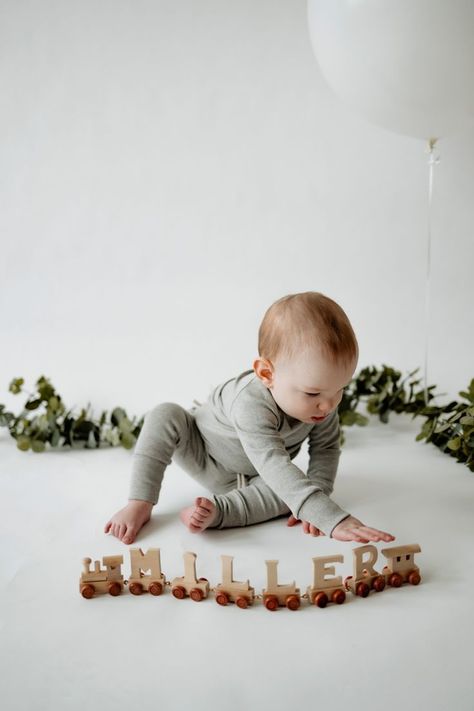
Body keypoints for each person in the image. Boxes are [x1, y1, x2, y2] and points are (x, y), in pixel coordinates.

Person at [104, 291, 395, 546]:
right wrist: (332, 519)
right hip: (205, 455)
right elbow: (273, 462)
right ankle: (139, 502)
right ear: (267, 374)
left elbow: (326, 450)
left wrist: (317, 502)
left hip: (259, 476)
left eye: (340, 389)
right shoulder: (250, 403)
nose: (329, 404)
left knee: (292, 491)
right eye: (312, 393)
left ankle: (220, 512)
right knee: (165, 414)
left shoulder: (323, 403)